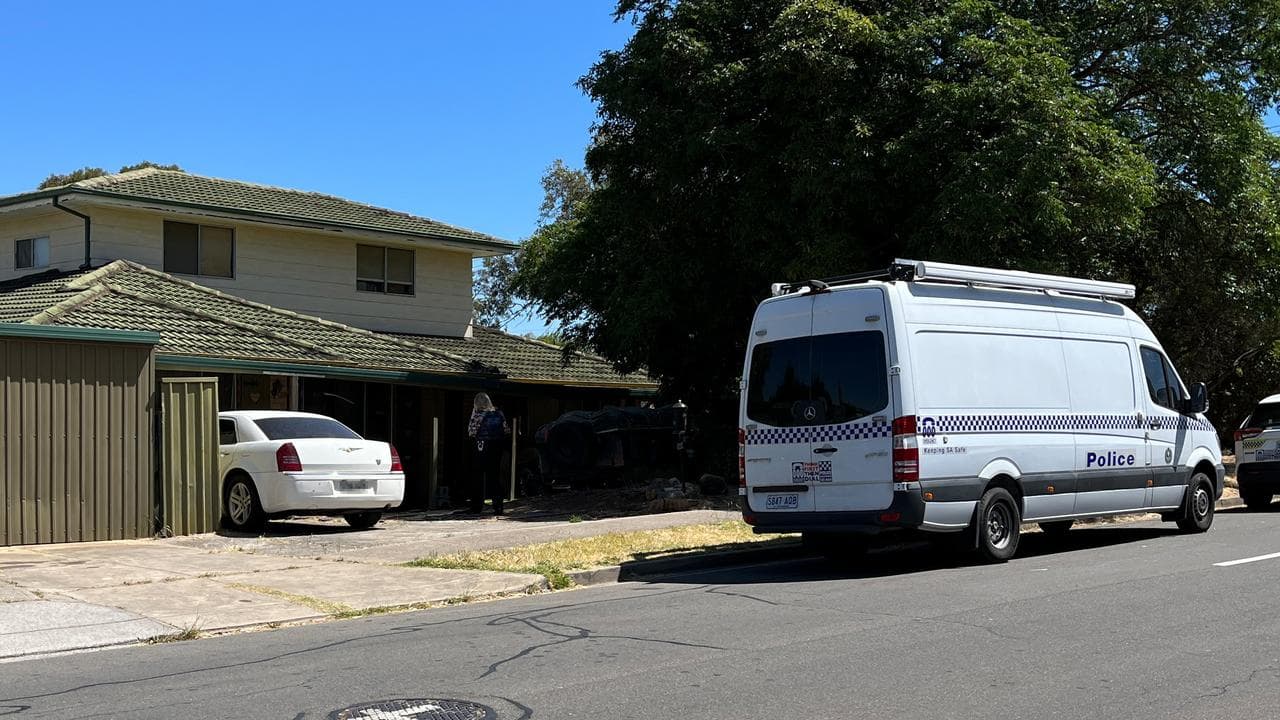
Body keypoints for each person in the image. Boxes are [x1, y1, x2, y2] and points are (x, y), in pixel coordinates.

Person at [467, 392, 510, 515]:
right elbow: (506, 430)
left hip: (482, 446)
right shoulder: (499, 413)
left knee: (478, 476)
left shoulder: (478, 414)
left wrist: (473, 415)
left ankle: (476, 506)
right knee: (495, 476)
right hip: (496, 446)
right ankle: (498, 506)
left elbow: (471, 432)